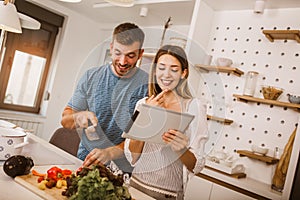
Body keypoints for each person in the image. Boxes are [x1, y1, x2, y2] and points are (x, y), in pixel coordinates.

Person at [61, 22, 148, 174]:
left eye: (130, 55)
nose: (122, 61)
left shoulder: (148, 86)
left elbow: (142, 139)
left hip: (123, 172)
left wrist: (110, 153)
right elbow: (65, 121)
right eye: (118, 53)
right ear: (111, 48)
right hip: (85, 163)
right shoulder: (91, 76)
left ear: (140, 54)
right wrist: (78, 116)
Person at [124, 45, 208, 200]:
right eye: (161, 68)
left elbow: (196, 166)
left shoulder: (194, 107)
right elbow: (132, 157)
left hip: (168, 194)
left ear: (184, 73)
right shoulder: (143, 104)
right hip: (135, 186)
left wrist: (181, 149)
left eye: (174, 69)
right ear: (155, 71)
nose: (166, 75)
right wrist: (146, 117)